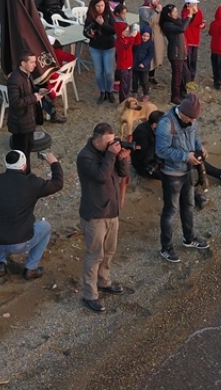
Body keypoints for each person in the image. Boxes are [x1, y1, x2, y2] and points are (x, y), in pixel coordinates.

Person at [0, 149, 63, 280]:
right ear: (25, 165)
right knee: (46, 227)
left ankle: (0, 262)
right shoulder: (31, 183)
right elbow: (57, 184)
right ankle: (31, 268)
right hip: (20, 242)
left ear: (6, 164)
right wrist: (54, 163)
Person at [77, 123, 130, 313]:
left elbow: (122, 174)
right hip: (95, 215)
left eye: (113, 142)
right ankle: (89, 294)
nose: (112, 146)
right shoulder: (85, 157)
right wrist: (111, 155)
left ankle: (104, 281)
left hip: (112, 211)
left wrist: (122, 159)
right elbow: (101, 176)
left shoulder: (108, 154)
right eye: (108, 143)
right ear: (97, 140)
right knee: (94, 255)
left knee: (109, 251)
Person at [155, 95, 212, 263]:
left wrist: (199, 146)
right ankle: (166, 248)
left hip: (187, 172)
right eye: (191, 118)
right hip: (172, 175)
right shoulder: (166, 124)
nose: (194, 121)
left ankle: (189, 238)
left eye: (195, 118)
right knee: (170, 211)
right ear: (183, 113)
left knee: (188, 206)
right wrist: (185, 156)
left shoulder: (191, 121)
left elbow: (193, 137)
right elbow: (161, 151)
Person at [6, 52, 47, 160]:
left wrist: (38, 90)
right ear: (23, 63)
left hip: (28, 119)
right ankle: (22, 175)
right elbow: (15, 102)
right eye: (32, 62)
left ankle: (26, 174)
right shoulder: (15, 80)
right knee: (21, 154)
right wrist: (34, 98)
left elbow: (27, 90)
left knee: (28, 149)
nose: (35, 65)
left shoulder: (27, 74)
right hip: (20, 122)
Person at [84, 0, 118, 103]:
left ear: (105, 5)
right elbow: (85, 31)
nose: (100, 8)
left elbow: (113, 31)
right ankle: (102, 92)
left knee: (109, 72)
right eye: (98, 6)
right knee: (99, 72)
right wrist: (90, 34)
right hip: (95, 47)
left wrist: (102, 24)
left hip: (108, 47)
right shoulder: (90, 16)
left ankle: (109, 91)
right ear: (93, 6)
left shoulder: (109, 15)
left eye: (102, 5)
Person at [160, 4, 191, 103]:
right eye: (175, 12)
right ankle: (175, 96)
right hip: (176, 53)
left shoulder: (176, 22)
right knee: (177, 75)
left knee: (183, 74)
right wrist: (189, 17)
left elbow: (186, 23)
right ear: (169, 14)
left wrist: (190, 11)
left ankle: (182, 93)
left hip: (181, 52)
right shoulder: (168, 25)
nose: (177, 13)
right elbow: (182, 28)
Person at [139, 0, 165, 87]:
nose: (158, 2)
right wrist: (157, 11)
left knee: (155, 55)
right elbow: (149, 21)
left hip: (157, 36)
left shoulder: (155, 8)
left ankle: (151, 76)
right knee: (147, 57)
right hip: (147, 37)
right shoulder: (143, 10)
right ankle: (143, 78)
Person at [182, 0, 204, 83]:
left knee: (193, 61)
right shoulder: (185, 12)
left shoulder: (199, 12)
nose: (195, 6)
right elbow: (186, 24)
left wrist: (202, 25)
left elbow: (200, 22)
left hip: (195, 40)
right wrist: (191, 14)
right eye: (193, 4)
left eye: (196, 4)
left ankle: (191, 78)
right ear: (188, 5)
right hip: (188, 41)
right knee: (187, 60)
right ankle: (186, 79)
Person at [114, 22, 139, 100]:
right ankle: (123, 102)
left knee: (127, 84)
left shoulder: (127, 38)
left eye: (128, 30)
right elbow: (126, 47)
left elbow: (137, 42)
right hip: (122, 66)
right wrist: (132, 37)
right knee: (124, 85)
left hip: (129, 64)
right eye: (125, 31)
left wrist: (137, 33)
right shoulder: (118, 41)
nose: (127, 32)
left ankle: (126, 99)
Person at [132, 25, 155, 99]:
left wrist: (144, 63)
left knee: (144, 80)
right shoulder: (137, 41)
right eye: (144, 35)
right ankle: (134, 91)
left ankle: (146, 93)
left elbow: (150, 54)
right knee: (135, 80)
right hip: (135, 65)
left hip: (144, 67)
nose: (145, 37)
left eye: (147, 36)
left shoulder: (150, 44)